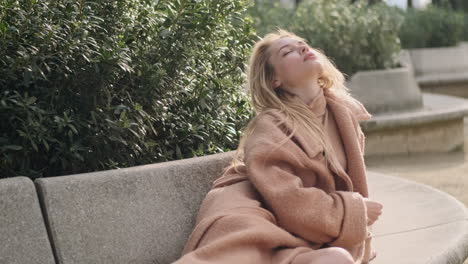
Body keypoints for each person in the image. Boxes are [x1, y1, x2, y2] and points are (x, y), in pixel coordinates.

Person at [173, 29, 383, 264]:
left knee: (337, 259)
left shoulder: (343, 116)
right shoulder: (272, 124)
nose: (303, 48)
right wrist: (351, 212)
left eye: (303, 44)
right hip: (250, 207)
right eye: (288, 51)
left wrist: (354, 217)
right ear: (275, 80)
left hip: (302, 230)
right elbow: (288, 198)